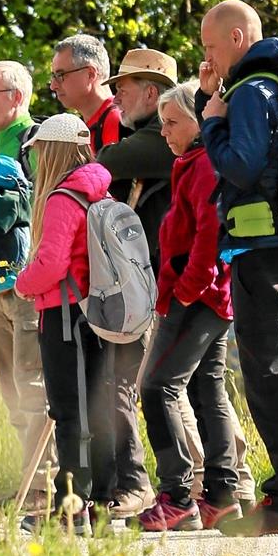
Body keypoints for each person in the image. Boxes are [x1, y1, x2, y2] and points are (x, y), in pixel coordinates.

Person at [197, 0, 278, 536]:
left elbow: (241, 166)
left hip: (259, 248)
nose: (207, 55)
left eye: (210, 45)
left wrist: (211, 126)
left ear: (238, 38)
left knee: (268, 375)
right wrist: (213, 101)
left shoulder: (250, 91)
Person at [135, 80, 242, 532]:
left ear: (200, 122)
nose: (164, 131)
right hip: (212, 297)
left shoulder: (203, 166)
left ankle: (177, 496)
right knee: (206, 388)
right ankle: (221, 495)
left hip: (197, 296)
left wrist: (184, 290)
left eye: (172, 122)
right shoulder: (194, 162)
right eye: (161, 123)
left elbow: (207, 235)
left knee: (157, 387)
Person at [14, 114, 114, 534]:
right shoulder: (99, 189)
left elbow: (51, 263)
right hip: (97, 312)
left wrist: (22, 284)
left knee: (68, 410)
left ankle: (68, 509)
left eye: (38, 152)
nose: (35, 161)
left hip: (63, 313)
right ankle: (100, 505)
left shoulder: (62, 196)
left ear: (51, 150)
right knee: (94, 408)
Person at [94, 48, 180, 519]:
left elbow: (107, 160)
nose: (117, 101)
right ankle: (217, 487)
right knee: (177, 387)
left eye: (122, 90)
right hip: (154, 280)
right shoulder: (150, 135)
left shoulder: (153, 140)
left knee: (138, 383)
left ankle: (149, 485)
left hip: (155, 282)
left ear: (152, 91)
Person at [0, 61, 54, 512]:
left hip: (27, 284)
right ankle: (29, 484)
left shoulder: (36, 141)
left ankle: (42, 489)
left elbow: (45, 205)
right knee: (10, 387)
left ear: (18, 97)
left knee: (32, 382)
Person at [50, 34, 123, 154]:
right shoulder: (92, 125)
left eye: (60, 75)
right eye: (53, 76)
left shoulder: (116, 120)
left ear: (90, 74)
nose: (53, 86)